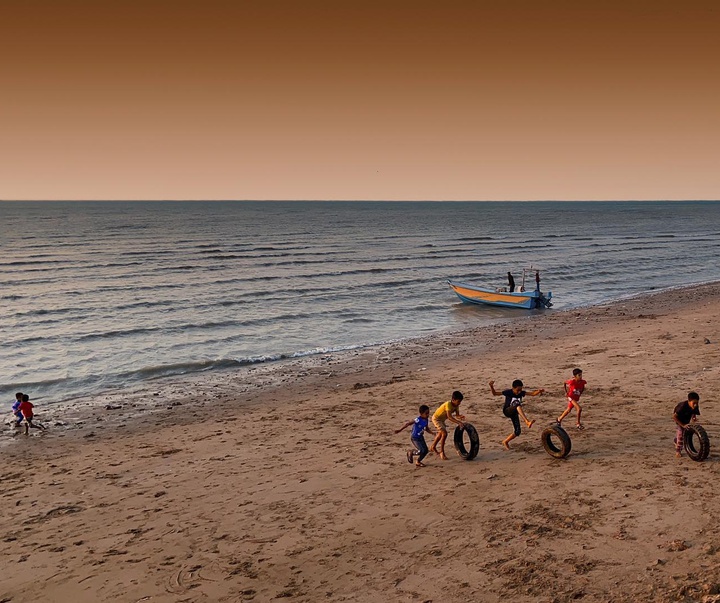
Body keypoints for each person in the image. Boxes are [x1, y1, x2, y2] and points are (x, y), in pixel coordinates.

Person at [489, 379, 544, 449]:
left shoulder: (521, 393)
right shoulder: (508, 392)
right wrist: (491, 386)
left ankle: (505, 441)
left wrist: (539, 391)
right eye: (518, 390)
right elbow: (495, 393)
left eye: (520, 390)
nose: (519, 392)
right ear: (513, 388)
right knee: (517, 404)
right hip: (507, 411)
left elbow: (532, 394)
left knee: (518, 431)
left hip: (515, 412)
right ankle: (527, 421)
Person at [429, 391, 465, 460]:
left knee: (440, 434)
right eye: (458, 401)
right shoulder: (448, 404)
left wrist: (460, 417)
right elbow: (449, 417)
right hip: (436, 419)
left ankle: (433, 446)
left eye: (460, 402)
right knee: (444, 434)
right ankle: (442, 452)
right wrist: (458, 422)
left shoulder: (456, 406)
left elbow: (457, 415)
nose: (459, 403)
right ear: (453, 400)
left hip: (442, 420)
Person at [673, 392, 700, 458]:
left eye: (697, 403)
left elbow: (694, 412)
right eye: (694, 403)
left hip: (686, 420)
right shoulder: (682, 407)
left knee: (684, 434)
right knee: (681, 434)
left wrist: (694, 417)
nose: (695, 405)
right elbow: (674, 417)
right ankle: (678, 450)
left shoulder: (695, 406)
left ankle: (676, 441)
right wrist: (682, 425)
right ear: (689, 401)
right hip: (679, 420)